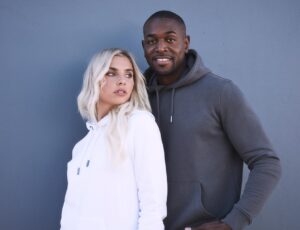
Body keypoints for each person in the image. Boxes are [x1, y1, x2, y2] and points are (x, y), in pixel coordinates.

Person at [141, 10, 281, 230]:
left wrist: (233, 222)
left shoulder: (220, 92)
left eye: (170, 39)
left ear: (185, 43)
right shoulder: (137, 99)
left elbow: (267, 162)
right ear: (143, 47)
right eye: (151, 41)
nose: (160, 48)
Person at [60, 48, 167, 230]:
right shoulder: (82, 146)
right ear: (95, 79)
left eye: (129, 75)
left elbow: (153, 204)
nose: (122, 81)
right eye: (111, 73)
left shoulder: (139, 124)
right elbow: (72, 211)